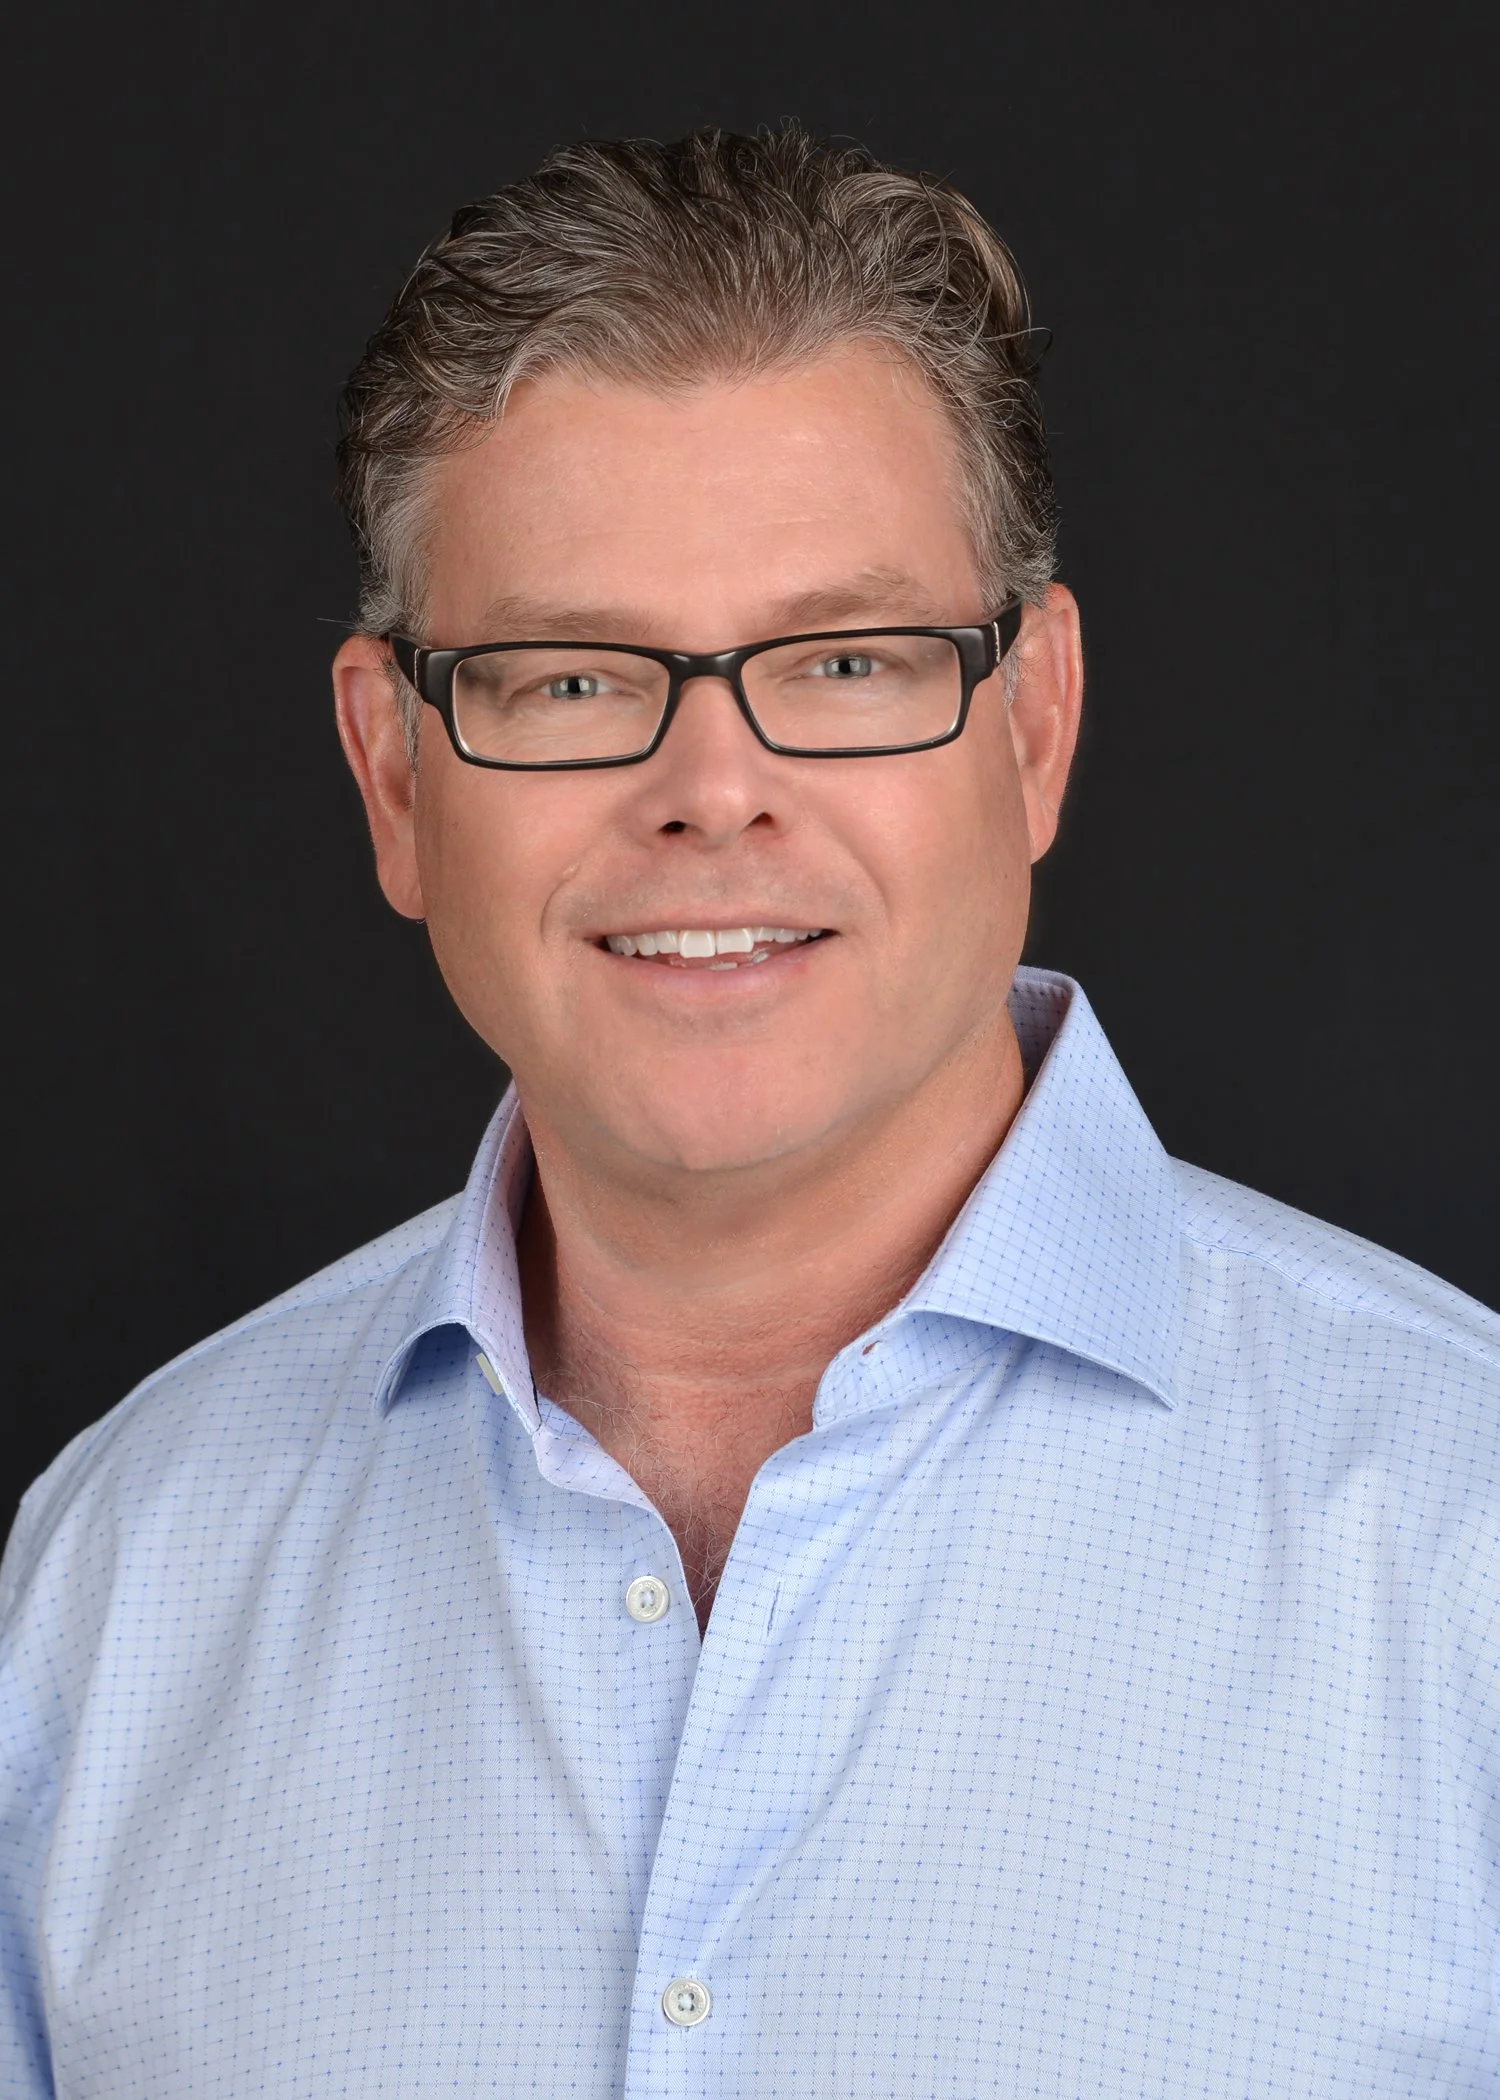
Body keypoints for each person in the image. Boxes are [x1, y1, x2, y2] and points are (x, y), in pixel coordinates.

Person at [3, 123, 1498, 2099]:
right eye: (563, 678)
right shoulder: (113, 1593)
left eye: (852, 659)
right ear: (392, 776)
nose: (715, 788)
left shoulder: (1464, 1551)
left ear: (1034, 729)